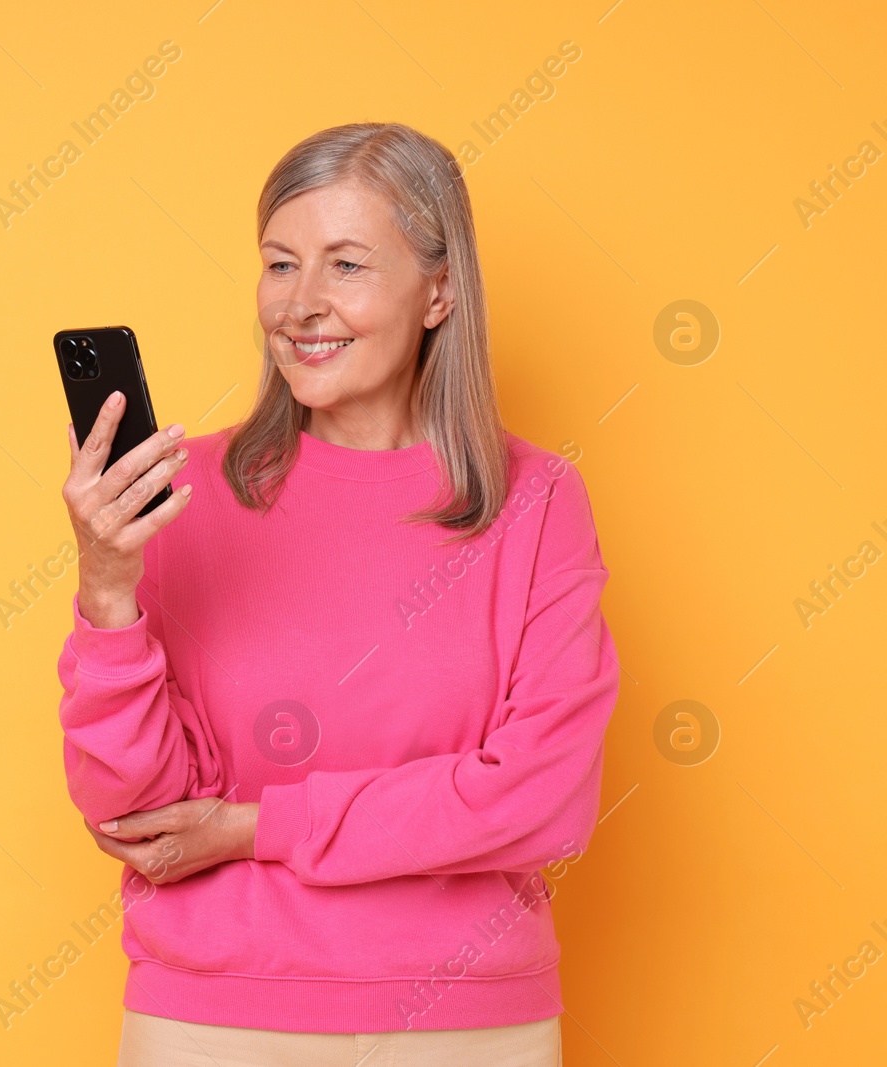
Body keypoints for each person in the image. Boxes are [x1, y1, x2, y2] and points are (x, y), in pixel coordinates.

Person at [55, 122, 619, 1066]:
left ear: (440, 291)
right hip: (211, 1021)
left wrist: (256, 826)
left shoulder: (538, 501)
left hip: (470, 1024)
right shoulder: (179, 495)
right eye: (281, 264)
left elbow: (542, 795)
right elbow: (136, 811)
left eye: (347, 265)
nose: (301, 306)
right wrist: (108, 591)